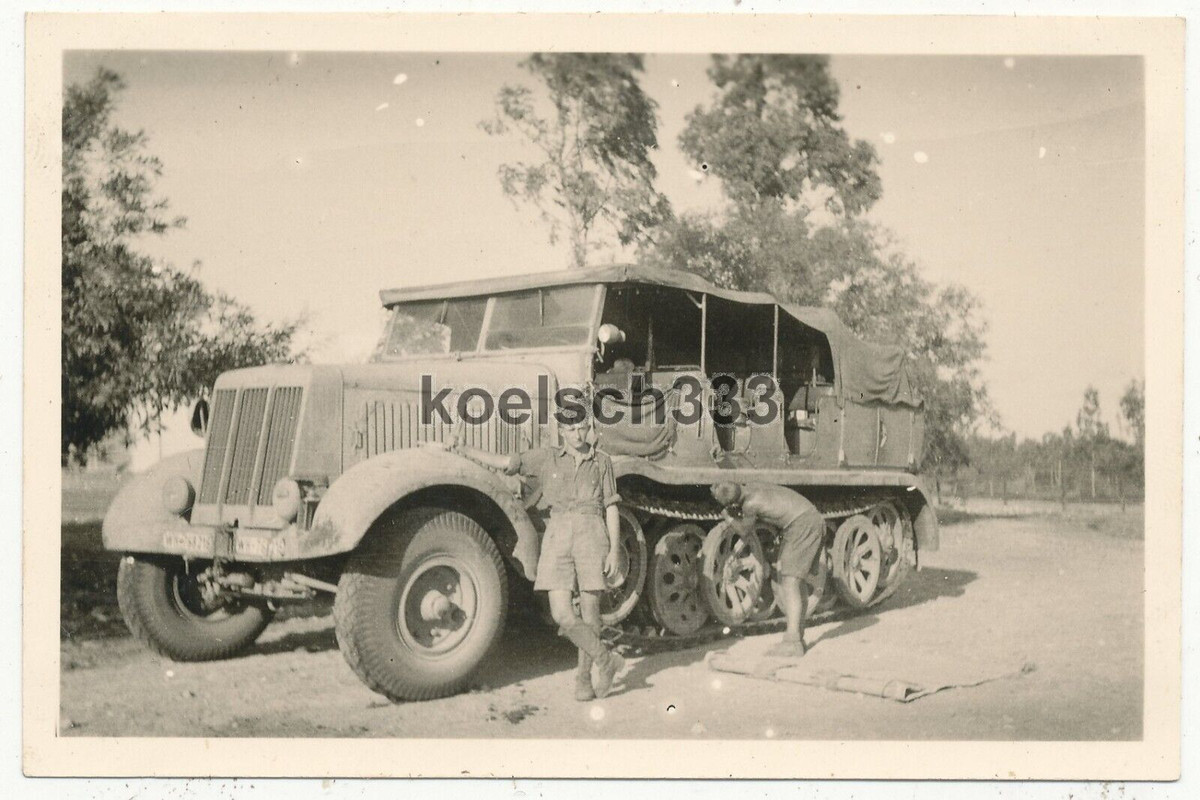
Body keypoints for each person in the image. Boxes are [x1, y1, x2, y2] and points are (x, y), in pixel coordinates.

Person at [448, 411, 626, 701]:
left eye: (582, 428)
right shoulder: (547, 458)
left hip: (593, 534)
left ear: (589, 427)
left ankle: (584, 678)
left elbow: (611, 507)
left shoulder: (602, 461)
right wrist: (464, 448)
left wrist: (614, 549)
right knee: (562, 615)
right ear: (561, 430)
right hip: (557, 535)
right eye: (571, 429)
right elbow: (507, 463)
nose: (578, 435)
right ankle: (607, 661)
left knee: (591, 613)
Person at [710, 482, 825, 658]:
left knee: (790, 582)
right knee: (796, 583)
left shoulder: (750, 504)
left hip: (802, 526)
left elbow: (744, 531)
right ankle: (796, 637)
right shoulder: (752, 487)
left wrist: (728, 516)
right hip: (808, 518)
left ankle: (793, 643)